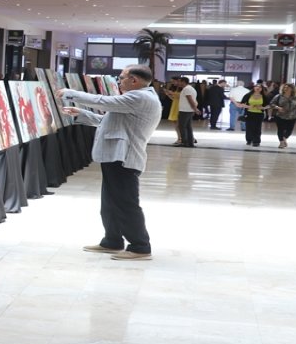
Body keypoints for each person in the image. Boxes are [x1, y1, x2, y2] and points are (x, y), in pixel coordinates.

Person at [57, 65, 162, 260]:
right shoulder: (137, 98)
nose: (118, 81)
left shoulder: (140, 97)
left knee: (125, 203)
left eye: (121, 78)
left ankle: (140, 247)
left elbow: (103, 101)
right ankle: (112, 241)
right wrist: (80, 113)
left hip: (124, 158)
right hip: (115, 156)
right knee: (110, 203)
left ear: (134, 81)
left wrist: (70, 93)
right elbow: (107, 120)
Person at [268, 83, 296, 148]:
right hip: (280, 116)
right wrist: (278, 107)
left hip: (292, 116)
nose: (286, 89)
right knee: (280, 129)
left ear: (292, 89)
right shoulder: (278, 96)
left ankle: (284, 138)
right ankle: (281, 142)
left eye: (288, 88)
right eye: (285, 87)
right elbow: (271, 104)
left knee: (289, 130)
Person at [176, 76, 198, 148]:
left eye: (179, 81)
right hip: (189, 110)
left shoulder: (187, 89)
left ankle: (185, 142)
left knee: (182, 126)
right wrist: (194, 108)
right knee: (188, 127)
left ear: (183, 82)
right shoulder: (191, 88)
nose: (178, 83)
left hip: (185, 110)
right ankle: (190, 142)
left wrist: (195, 109)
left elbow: (190, 100)